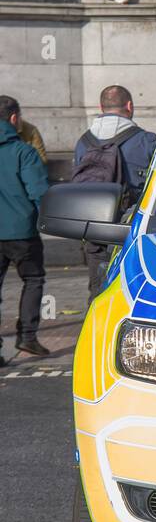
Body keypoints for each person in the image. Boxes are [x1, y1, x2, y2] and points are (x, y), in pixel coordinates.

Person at [72, 85, 156, 300]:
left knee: (98, 288)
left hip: (92, 228)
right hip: (132, 229)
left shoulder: (83, 143)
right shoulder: (147, 141)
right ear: (129, 106)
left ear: (100, 107)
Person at [0, 94, 51, 363]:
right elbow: (39, 192)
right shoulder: (24, 152)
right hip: (22, 232)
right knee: (32, 280)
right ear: (13, 118)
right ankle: (27, 336)